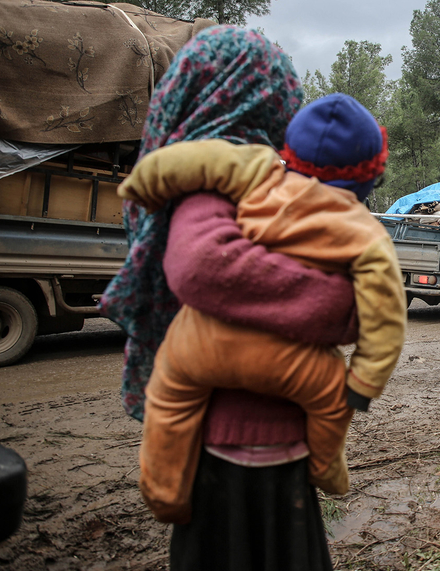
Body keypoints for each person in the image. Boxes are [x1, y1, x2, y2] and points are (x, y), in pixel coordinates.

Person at [99, 26, 360, 570]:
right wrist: (341, 307)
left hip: (271, 456)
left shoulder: (261, 179)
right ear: (254, 95)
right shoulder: (211, 178)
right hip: (232, 463)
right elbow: (202, 268)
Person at [118, 94, 406, 524]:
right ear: (368, 177)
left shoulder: (257, 168)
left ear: (290, 148)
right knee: (332, 400)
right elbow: (386, 318)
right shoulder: (365, 232)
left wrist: (141, 185)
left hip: (200, 344)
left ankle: (164, 492)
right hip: (296, 362)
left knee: (168, 399)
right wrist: (364, 383)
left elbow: (192, 160)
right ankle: (326, 469)